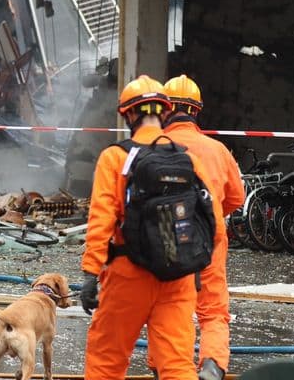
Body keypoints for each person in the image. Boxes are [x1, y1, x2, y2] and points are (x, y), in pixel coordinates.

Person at [80, 75, 223, 380]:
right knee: (177, 365)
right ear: (164, 113)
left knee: (106, 361)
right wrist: (196, 268)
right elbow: (214, 225)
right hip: (179, 277)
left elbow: (101, 221)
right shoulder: (188, 160)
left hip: (128, 274)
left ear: (129, 114)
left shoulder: (115, 158)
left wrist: (91, 274)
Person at [145, 74, 245, 380]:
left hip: (165, 238)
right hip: (209, 239)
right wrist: (211, 215)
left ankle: (165, 367)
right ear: (196, 111)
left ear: (164, 109)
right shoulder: (218, 150)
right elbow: (236, 199)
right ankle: (212, 366)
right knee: (213, 310)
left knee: (165, 307)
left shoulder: (152, 147)